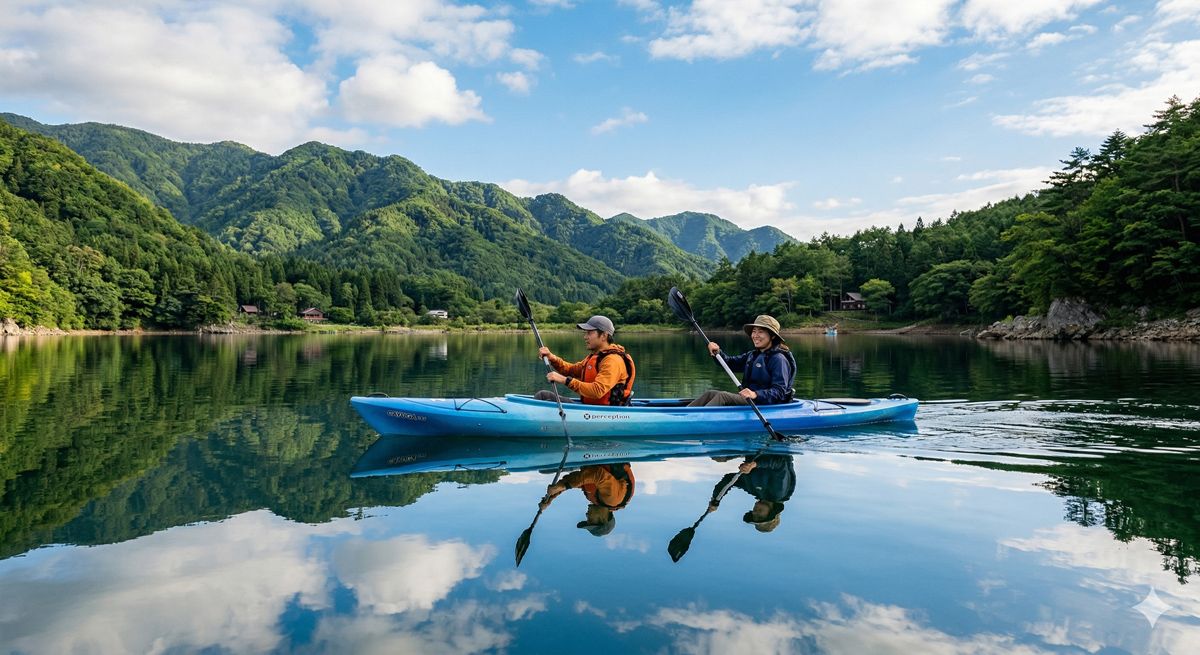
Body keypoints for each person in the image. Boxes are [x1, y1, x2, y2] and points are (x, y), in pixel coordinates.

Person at [688, 314, 796, 407]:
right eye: (754, 331)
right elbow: (729, 364)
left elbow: (779, 392)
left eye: (760, 332)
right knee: (710, 393)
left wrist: (756, 394)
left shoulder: (779, 359)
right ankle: (683, 414)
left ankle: (694, 420)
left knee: (723, 396)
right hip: (750, 400)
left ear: (772, 336)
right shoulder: (752, 355)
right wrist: (717, 352)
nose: (755, 335)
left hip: (766, 404)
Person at [535, 315, 635, 406]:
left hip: (604, 413)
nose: (585, 337)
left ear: (604, 335)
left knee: (542, 398)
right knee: (543, 396)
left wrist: (564, 380)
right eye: (586, 333)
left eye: (590, 333)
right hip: (590, 407)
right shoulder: (596, 356)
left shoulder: (612, 360)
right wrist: (552, 358)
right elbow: (570, 370)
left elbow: (597, 391)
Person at [540, 463, 636, 536]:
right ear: (603, 519)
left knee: (544, 469)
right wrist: (563, 486)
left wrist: (550, 499)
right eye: (590, 520)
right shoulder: (612, 499)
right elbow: (598, 474)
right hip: (606, 452)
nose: (586, 515)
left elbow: (577, 481)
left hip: (591, 459)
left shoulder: (595, 498)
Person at [706, 454, 795, 533]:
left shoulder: (753, 490)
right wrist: (754, 465)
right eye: (760, 517)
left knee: (719, 457)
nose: (755, 513)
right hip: (774, 447)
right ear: (772, 512)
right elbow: (780, 463)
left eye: (754, 516)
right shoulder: (779, 493)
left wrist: (716, 500)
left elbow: (729, 480)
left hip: (751, 450)